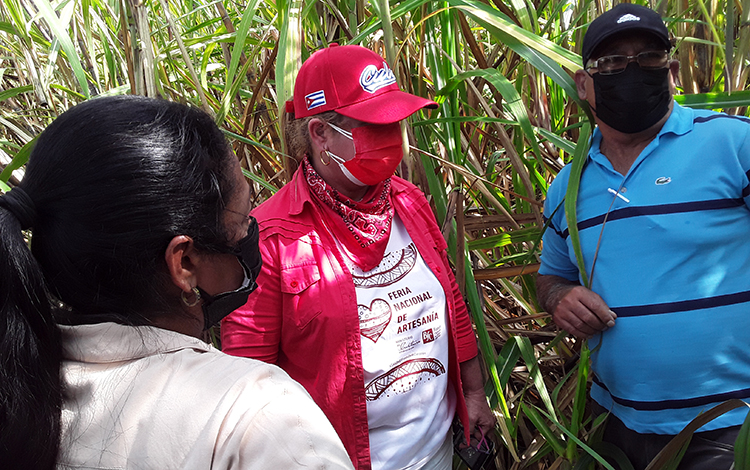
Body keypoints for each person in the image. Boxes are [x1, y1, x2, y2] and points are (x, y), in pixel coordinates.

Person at [0, 95, 353, 470]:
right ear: (183, 262)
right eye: (243, 221)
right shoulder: (259, 416)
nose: (252, 233)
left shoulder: (19, 381)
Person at [221, 44, 496, 470]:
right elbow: (250, 376)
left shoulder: (408, 201)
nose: (392, 139)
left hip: (435, 450)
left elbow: (452, 303)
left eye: (395, 123)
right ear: (320, 134)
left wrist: (474, 394)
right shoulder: (271, 238)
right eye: (374, 126)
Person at [537, 4, 750, 469]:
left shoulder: (735, 145)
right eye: (612, 62)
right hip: (615, 425)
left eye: (649, 58)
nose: (630, 72)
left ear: (672, 70)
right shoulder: (568, 187)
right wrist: (560, 297)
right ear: (582, 83)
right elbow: (550, 275)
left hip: (729, 426)